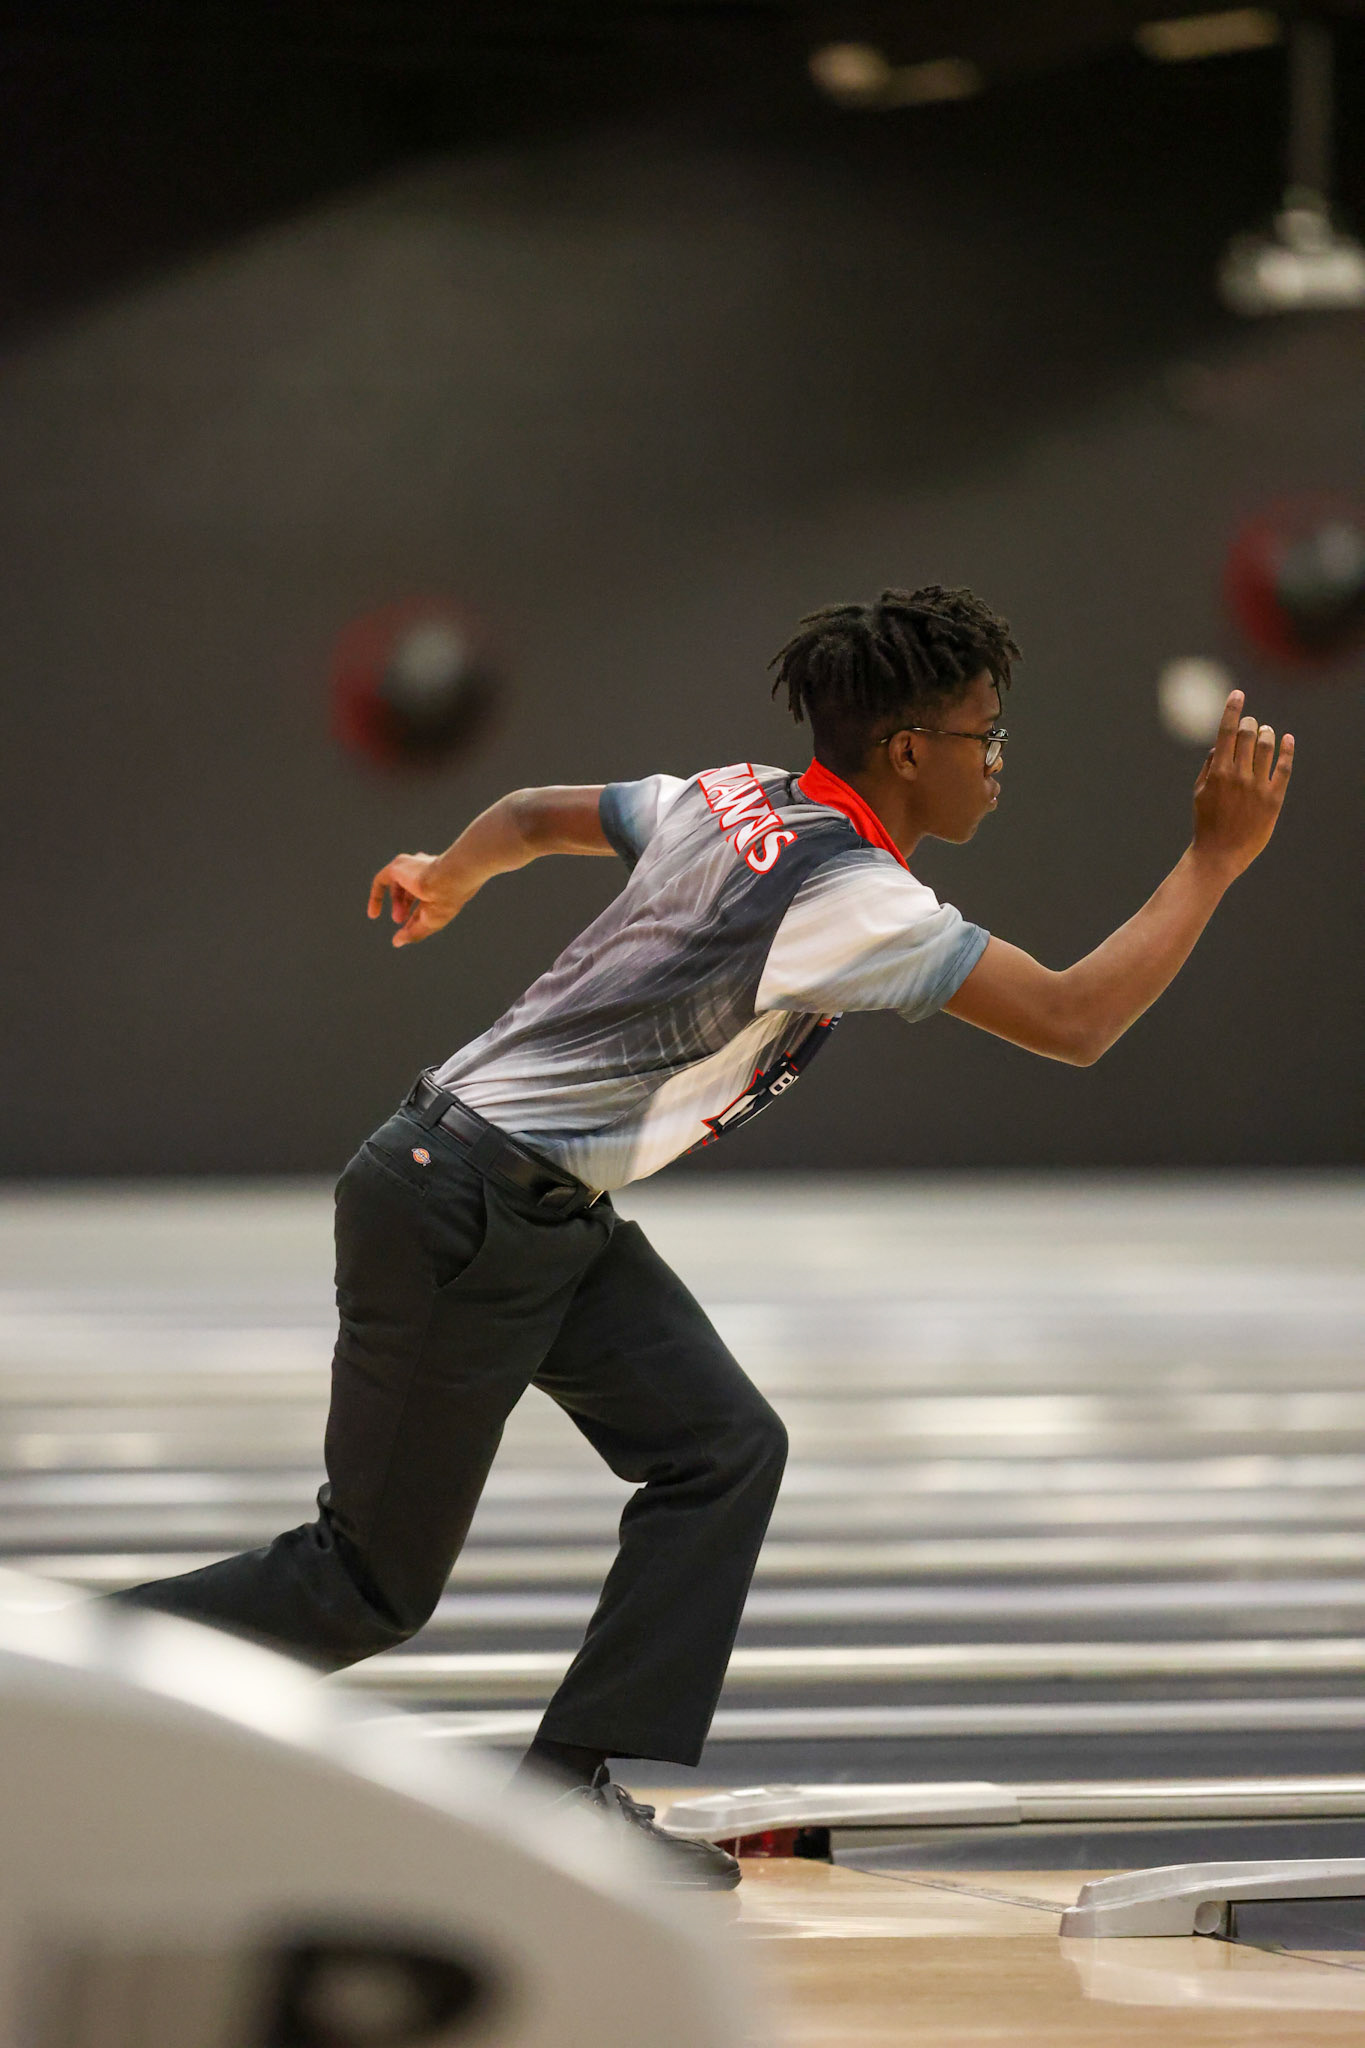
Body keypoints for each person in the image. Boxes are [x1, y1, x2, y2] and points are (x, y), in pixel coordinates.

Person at [116, 586, 1293, 1888]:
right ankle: (35, 1693)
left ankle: (565, 1802)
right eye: (985, 736)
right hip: (471, 1203)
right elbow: (1073, 1021)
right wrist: (1212, 861)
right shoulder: (856, 899)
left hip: (519, 1200)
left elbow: (525, 817)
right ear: (910, 751)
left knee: (721, 1450)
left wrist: (450, 872)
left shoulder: (725, 793)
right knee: (361, 1585)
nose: (997, 763)